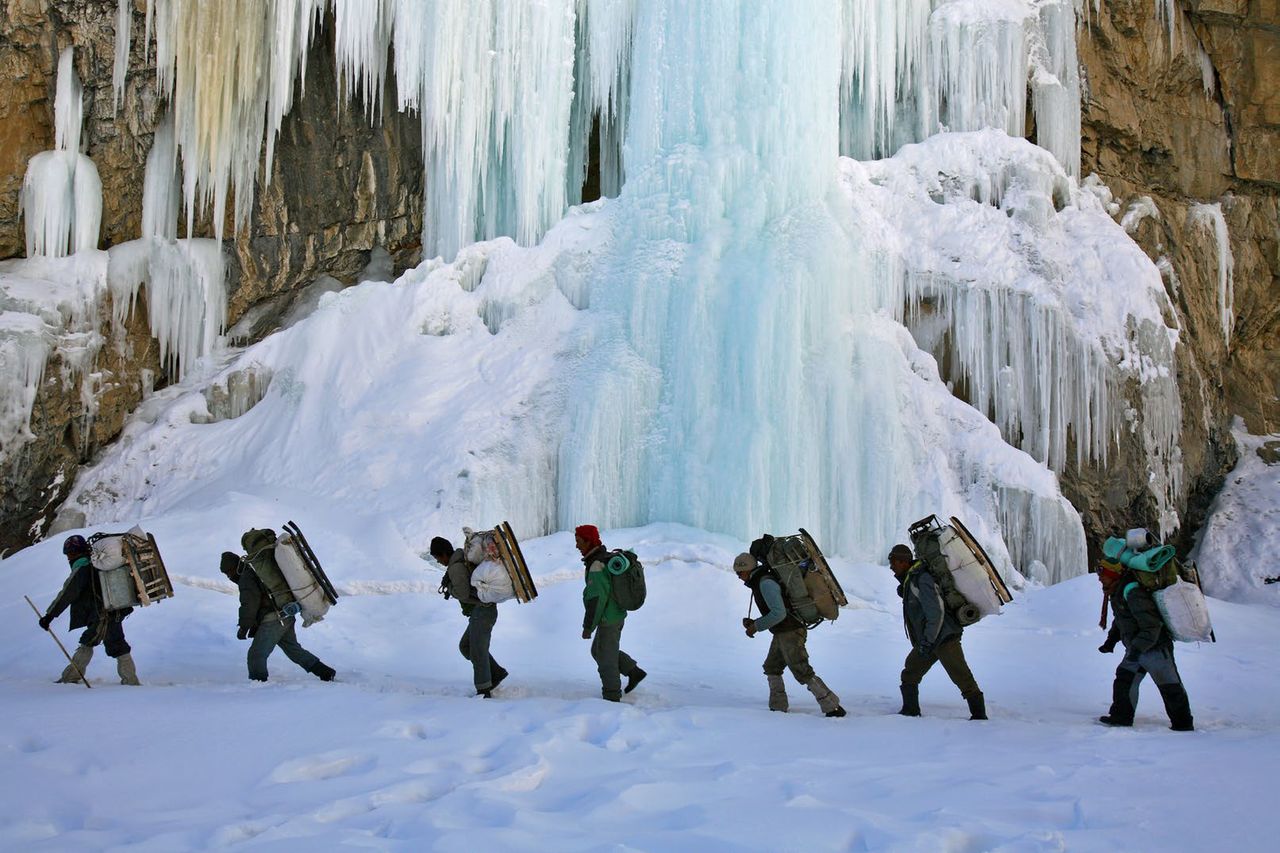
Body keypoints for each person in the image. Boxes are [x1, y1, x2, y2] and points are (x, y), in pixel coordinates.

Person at [732, 550, 845, 717]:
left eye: (739, 573)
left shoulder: (765, 583)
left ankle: (832, 706)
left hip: (790, 631)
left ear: (746, 569)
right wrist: (755, 623)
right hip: (783, 631)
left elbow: (779, 613)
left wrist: (756, 626)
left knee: (802, 669)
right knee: (772, 667)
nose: (739, 577)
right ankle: (777, 707)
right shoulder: (762, 581)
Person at [887, 543, 986, 720]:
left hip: (944, 638)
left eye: (893, 562)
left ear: (903, 562)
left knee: (961, 676)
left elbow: (936, 611)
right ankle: (910, 710)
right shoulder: (912, 579)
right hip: (930, 639)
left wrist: (928, 640)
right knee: (910, 671)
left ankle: (979, 715)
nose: (891, 566)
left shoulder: (922, 578)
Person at [1096, 561, 1194, 731]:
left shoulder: (1133, 592)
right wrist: (1110, 641)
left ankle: (1183, 724)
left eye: (1102, 576)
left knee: (1169, 685)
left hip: (1155, 648)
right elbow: (1122, 620)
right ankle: (1121, 717)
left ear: (1113, 575)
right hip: (1138, 649)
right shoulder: (1118, 592)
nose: (1100, 580)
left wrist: (1137, 649)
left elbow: (1152, 625)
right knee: (1124, 680)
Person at [38, 534, 141, 685]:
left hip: (101, 614)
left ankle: (71, 677)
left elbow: (67, 593)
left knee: (90, 641)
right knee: (116, 644)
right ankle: (130, 680)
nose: (68, 558)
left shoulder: (83, 568)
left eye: (70, 554)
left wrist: (50, 615)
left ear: (76, 552)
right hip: (113, 611)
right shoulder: (97, 564)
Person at [219, 550, 335, 683]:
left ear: (236, 567)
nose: (229, 576)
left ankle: (258, 685)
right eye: (226, 574)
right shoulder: (254, 573)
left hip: (275, 619)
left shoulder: (247, 578)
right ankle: (325, 672)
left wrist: (244, 626)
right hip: (285, 615)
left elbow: (249, 603)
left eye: (229, 571)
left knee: (256, 654)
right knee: (293, 650)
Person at [431, 536, 509, 697]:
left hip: (482, 611)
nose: (438, 561)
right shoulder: (458, 562)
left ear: (444, 554)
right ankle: (496, 673)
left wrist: (450, 587)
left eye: (438, 557)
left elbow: (463, 593)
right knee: (466, 647)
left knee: (478, 650)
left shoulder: (455, 568)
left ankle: (483, 690)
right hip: (480, 611)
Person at [576, 525, 646, 702]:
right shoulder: (601, 559)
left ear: (588, 541)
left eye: (579, 541)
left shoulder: (597, 565)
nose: (577, 546)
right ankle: (633, 671)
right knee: (598, 651)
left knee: (605, 656)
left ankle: (612, 696)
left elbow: (596, 600)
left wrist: (588, 627)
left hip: (609, 618)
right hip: (615, 615)